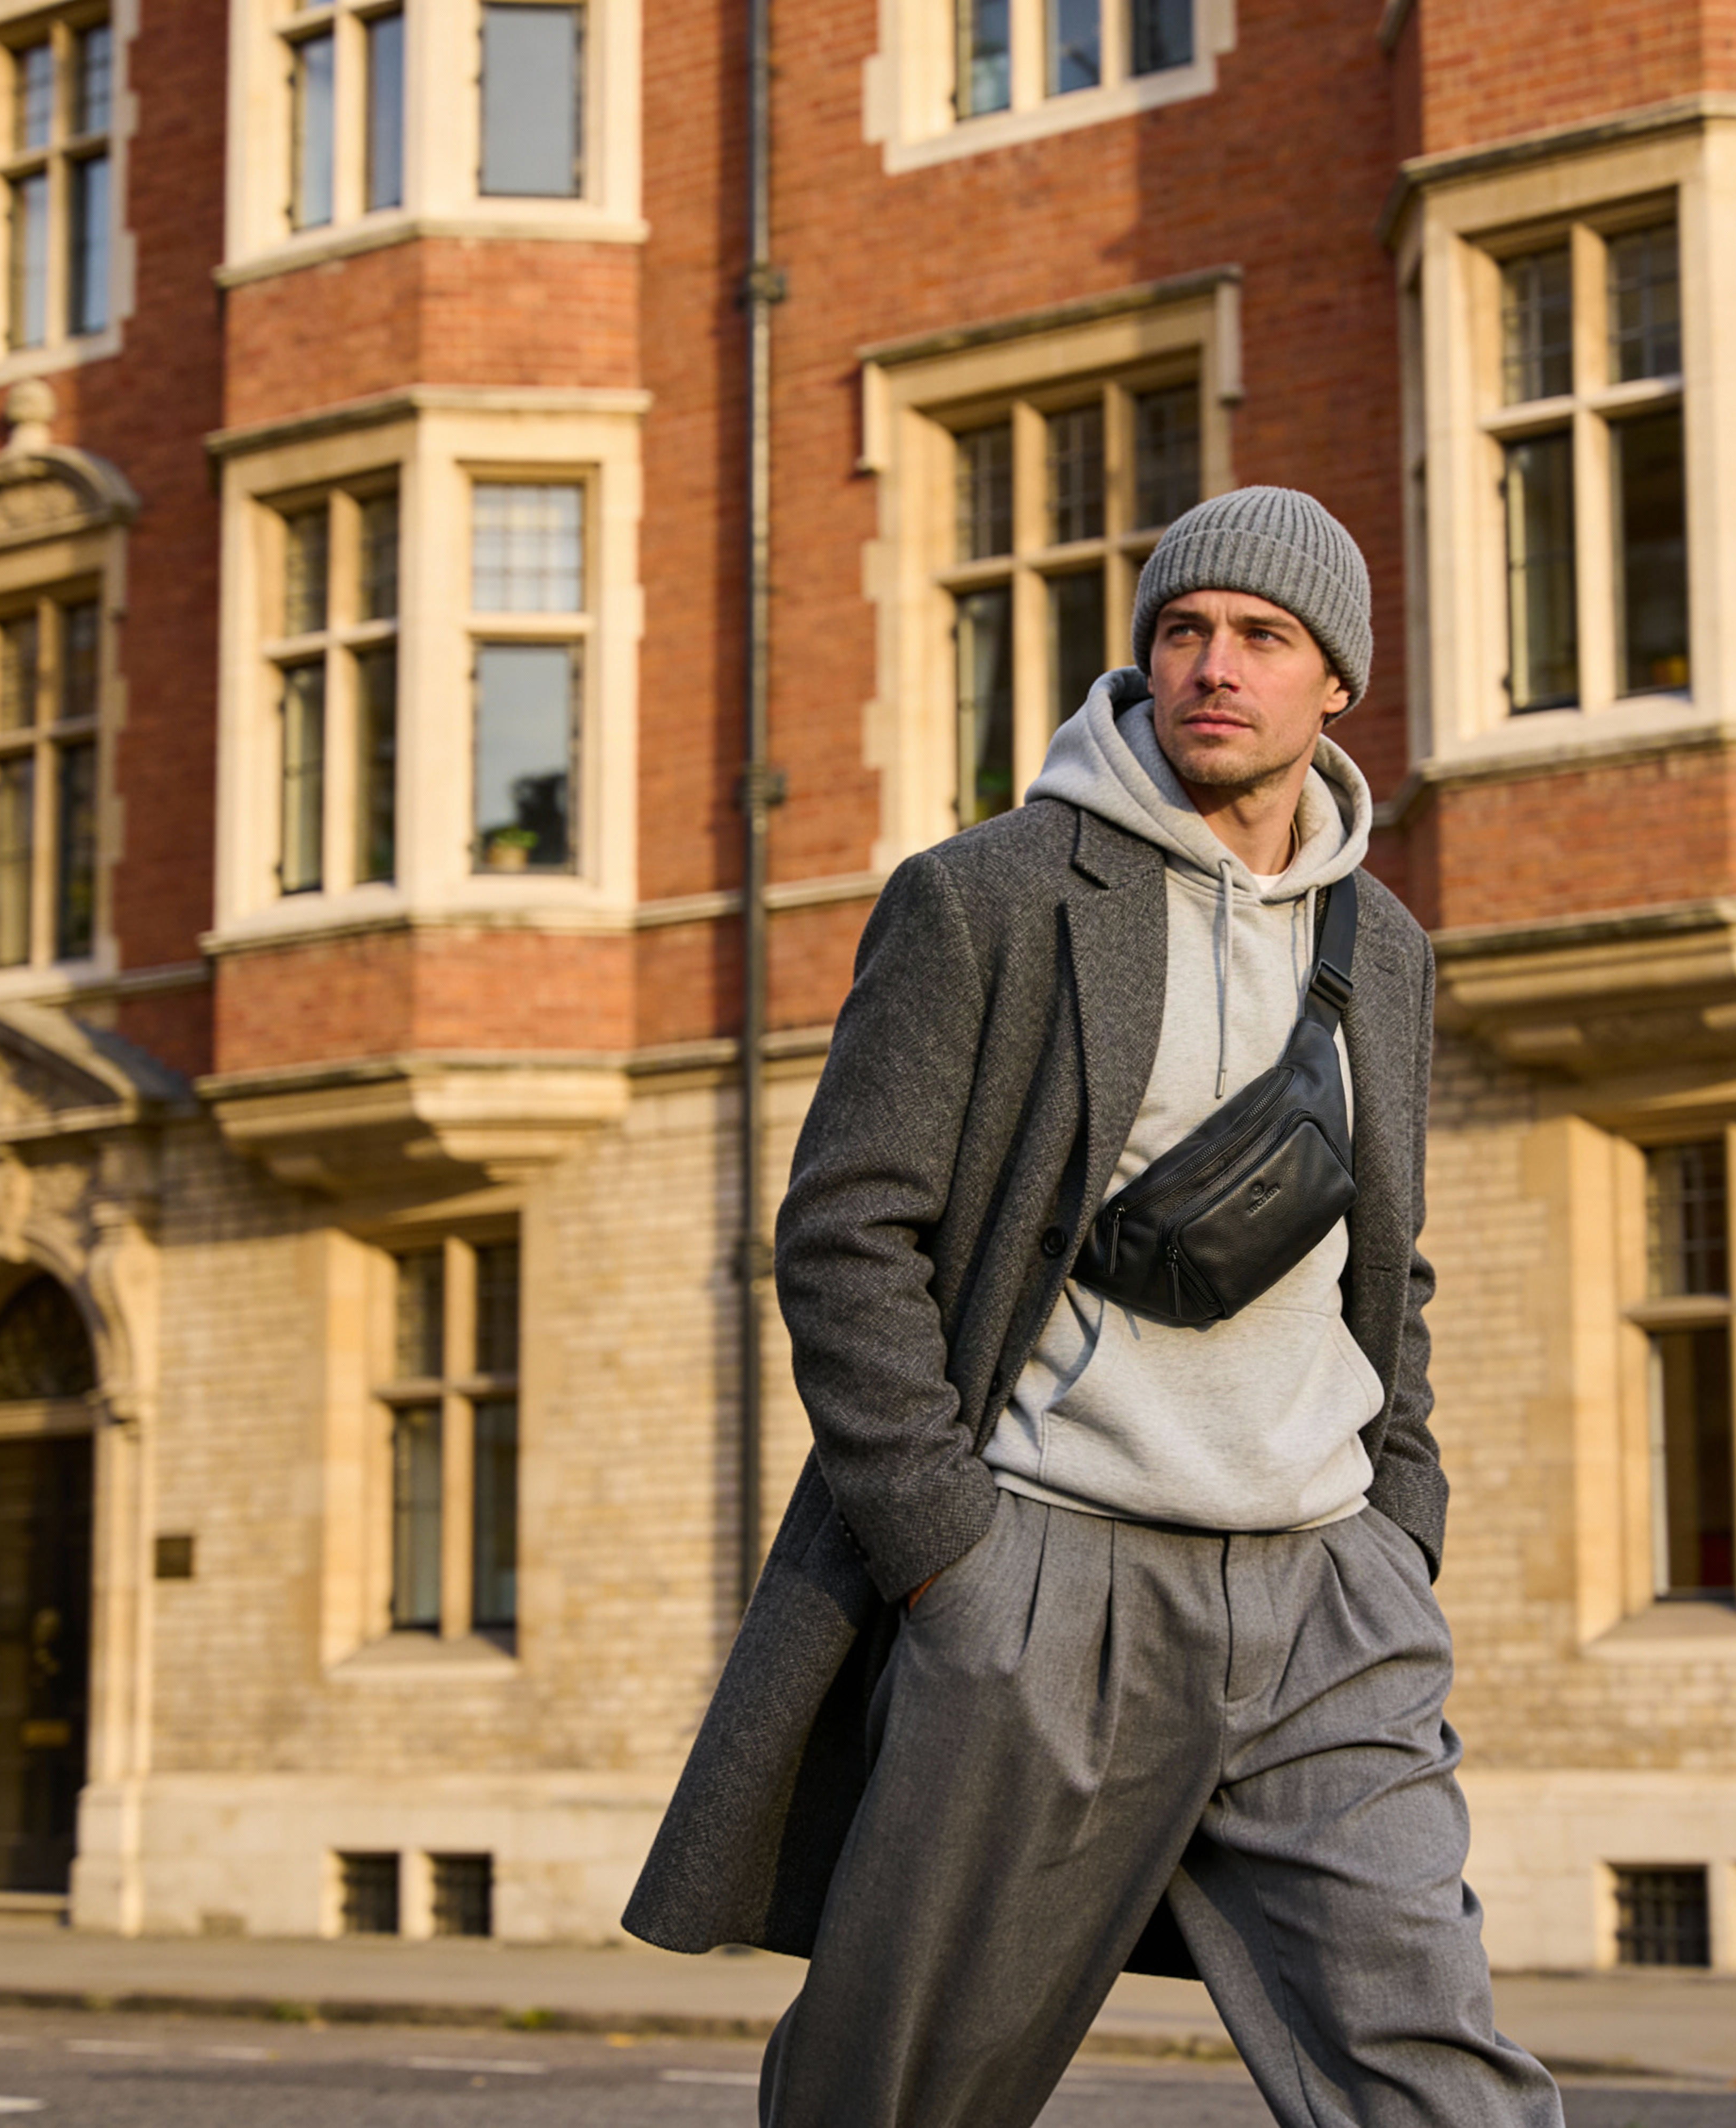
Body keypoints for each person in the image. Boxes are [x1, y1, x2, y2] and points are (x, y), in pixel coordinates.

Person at [624, 487, 1565, 2128]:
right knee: (904, 2090)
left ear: (1334, 680)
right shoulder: (987, 897)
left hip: (1329, 1594)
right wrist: (949, 1553)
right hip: (1050, 1579)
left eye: (1263, 639)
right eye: (1182, 631)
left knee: (1439, 2076)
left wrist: (1398, 1520)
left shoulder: (1389, 949)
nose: (1216, 665)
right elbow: (849, 1234)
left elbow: (1383, 1263)